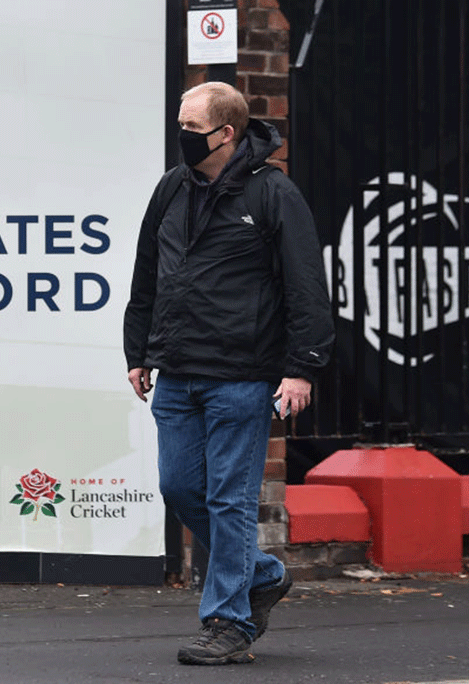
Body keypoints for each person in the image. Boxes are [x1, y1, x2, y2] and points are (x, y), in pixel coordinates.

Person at [123, 81, 334, 665]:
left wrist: (301, 369)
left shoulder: (274, 195)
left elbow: (306, 288)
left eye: (191, 127)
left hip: (242, 377)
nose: (182, 136)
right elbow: (147, 274)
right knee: (180, 488)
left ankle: (229, 621)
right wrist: (137, 352)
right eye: (180, 124)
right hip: (178, 374)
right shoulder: (171, 188)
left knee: (229, 500)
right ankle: (262, 574)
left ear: (225, 133)